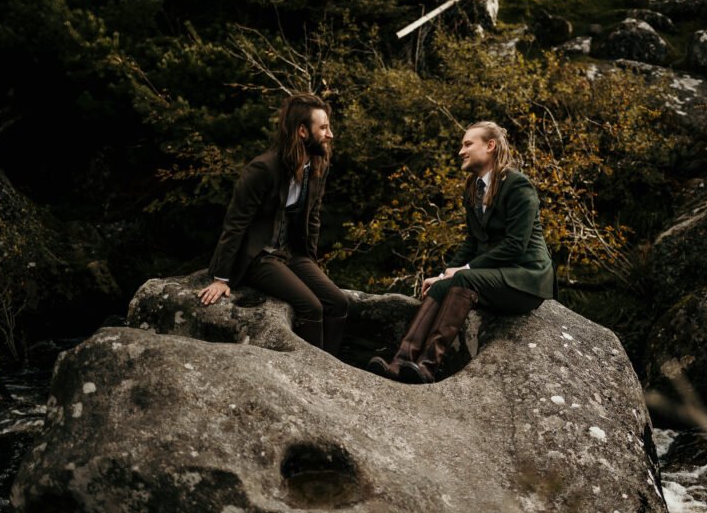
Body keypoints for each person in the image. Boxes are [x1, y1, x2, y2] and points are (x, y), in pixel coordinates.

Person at [368, 121, 556, 384]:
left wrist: (464, 270)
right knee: (442, 285)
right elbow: (472, 241)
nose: (461, 151)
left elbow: (515, 245)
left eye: (468, 144)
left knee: (463, 279)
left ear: (490, 146)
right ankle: (400, 362)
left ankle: (427, 366)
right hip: (494, 274)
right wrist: (445, 274)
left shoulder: (517, 186)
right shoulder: (473, 188)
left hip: (526, 279)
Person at [198, 93, 348, 354]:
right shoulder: (263, 169)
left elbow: (313, 219)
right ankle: (308, 372)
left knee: (338, 302)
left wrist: (310, 263)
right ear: (302, 131)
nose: (330, 134)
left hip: (291, 253)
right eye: (323, 128)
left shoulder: (317, 167)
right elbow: (235, 224)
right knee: (311, 307)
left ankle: (330, 366)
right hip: (259, 257)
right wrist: (221, 278)